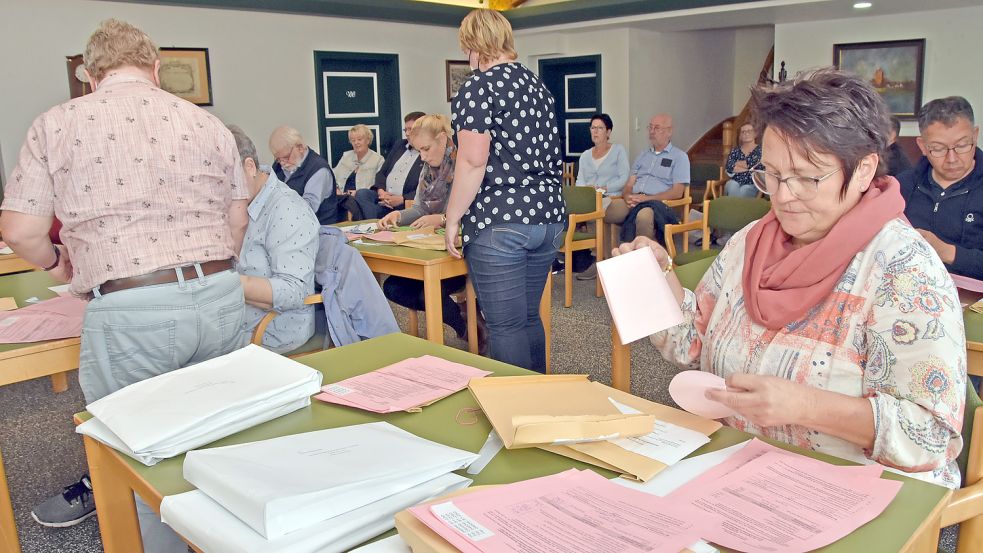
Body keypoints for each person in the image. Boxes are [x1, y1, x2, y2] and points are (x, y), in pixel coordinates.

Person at [617, 69, 965, 488]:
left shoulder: (904, 271)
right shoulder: (750, 243)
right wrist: (659, 280)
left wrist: (805, 406)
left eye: (807, 177)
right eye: (773, 175)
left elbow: (929, 438)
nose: (782, 196)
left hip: (849, 491)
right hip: (737, 470)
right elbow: (691, 345)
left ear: (862, 170)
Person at [1, 19, 248, 550]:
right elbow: (238, 221)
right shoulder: (207, 123)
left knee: (140, 451)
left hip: (133, 304)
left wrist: (57, 266)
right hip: (222, 293)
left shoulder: (58, 123)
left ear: (90, 75)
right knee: (222, 433)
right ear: (156, 69)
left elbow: (19, 230)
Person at [444, 8, 565, 372]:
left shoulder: (478, 87)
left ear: (475, 46)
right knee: (527, 317)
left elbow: (471, 162)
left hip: (502, 220)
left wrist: (452, 219)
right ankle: (539, 403)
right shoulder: (536, 85)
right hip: (548, 216)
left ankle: (519, 413)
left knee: (505, 324)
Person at [377, 114, 473, 343]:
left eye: (426, 149)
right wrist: (399, 215)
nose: (423, 156)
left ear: (442, 139)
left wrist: (441, 218)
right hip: (432, 249)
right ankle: (464, 322)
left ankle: (468, 327)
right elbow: (420, 209)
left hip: (461, 253)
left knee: (427, 291)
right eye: (419, 150)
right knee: (392, 287)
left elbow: (472, 211)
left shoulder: (465, 164)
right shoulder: (427, 169)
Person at [229, 125, 319, 353]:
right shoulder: (242, 203)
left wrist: (224, 284)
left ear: (249, 167)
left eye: (224, 181)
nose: (218, 191)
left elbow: (295, 291)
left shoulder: (286, 208)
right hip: (235, 322)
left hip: (271, 331)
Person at [899, 96, 983, 279]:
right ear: (922, 146)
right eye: (938, 148)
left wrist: (948, 252)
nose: (952, 159)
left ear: (975, 136)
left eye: (961, 145)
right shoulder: (901, 186)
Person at [603, 113, 689, 244]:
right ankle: (611, 259)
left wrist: (646, 199)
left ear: (669, 132)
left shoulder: (679, 157)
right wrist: (627, 196)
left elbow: (677, 192)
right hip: (634, 200)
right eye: (650, 127)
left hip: (658, 204)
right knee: (603, 211)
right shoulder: (643, 155)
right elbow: (629, 184)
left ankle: (644, 260)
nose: (652, 132)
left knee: (643, 216)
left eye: (657, 128)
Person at [356, 111, 427, 220]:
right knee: (362, 194)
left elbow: (425, 187)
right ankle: (374, 221)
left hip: (403, 203)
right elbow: (382, 173)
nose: (407, 133)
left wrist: (402, 199)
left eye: (410, 129)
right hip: (383, 198)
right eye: (405, 130)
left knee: (366, 211)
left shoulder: (426, 153)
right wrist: (381, 191)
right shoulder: (400, 145)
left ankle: (373, 223)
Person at [269, 126, 338, 225]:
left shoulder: (319, 170)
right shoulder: (278, 166)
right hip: (287, 226)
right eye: (278, 159)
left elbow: (306, 210)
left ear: (300, 148)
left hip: (318, 230)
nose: (282, 163)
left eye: (286, 157)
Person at [334, 124, 384, 220]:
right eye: (353, 140)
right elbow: (333, 177)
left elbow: (379, 185)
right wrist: (337, 190)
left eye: (359, 139)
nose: (356, 143)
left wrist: (357, 192)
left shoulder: (378, 160)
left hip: (361, 198)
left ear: (368, 140)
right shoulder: (346, 156)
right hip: (342, 196)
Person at [576, 113, 630, 198]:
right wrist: (587, 190)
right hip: (589, 198)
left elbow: (624, 179)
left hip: (611, 197)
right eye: (593, 128)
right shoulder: (585, 155)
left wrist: (604, 189)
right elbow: (580, 181)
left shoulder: (618, 150)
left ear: (608, 132)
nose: (595, 131)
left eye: (600, 128)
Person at [723, 122, 762, 197]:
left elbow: (756, 165)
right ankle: (735, 207)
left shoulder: (760, 150)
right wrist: (749, 168)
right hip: (735, 181)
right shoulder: (735, 151)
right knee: (731, 185)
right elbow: (729, 166)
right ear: (740, 136)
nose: (746, 134)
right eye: (743, 132)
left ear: (755, 134)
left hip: (752, 183)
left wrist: (737, 163)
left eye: (749, 131)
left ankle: (735, 207)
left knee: (745, 189)